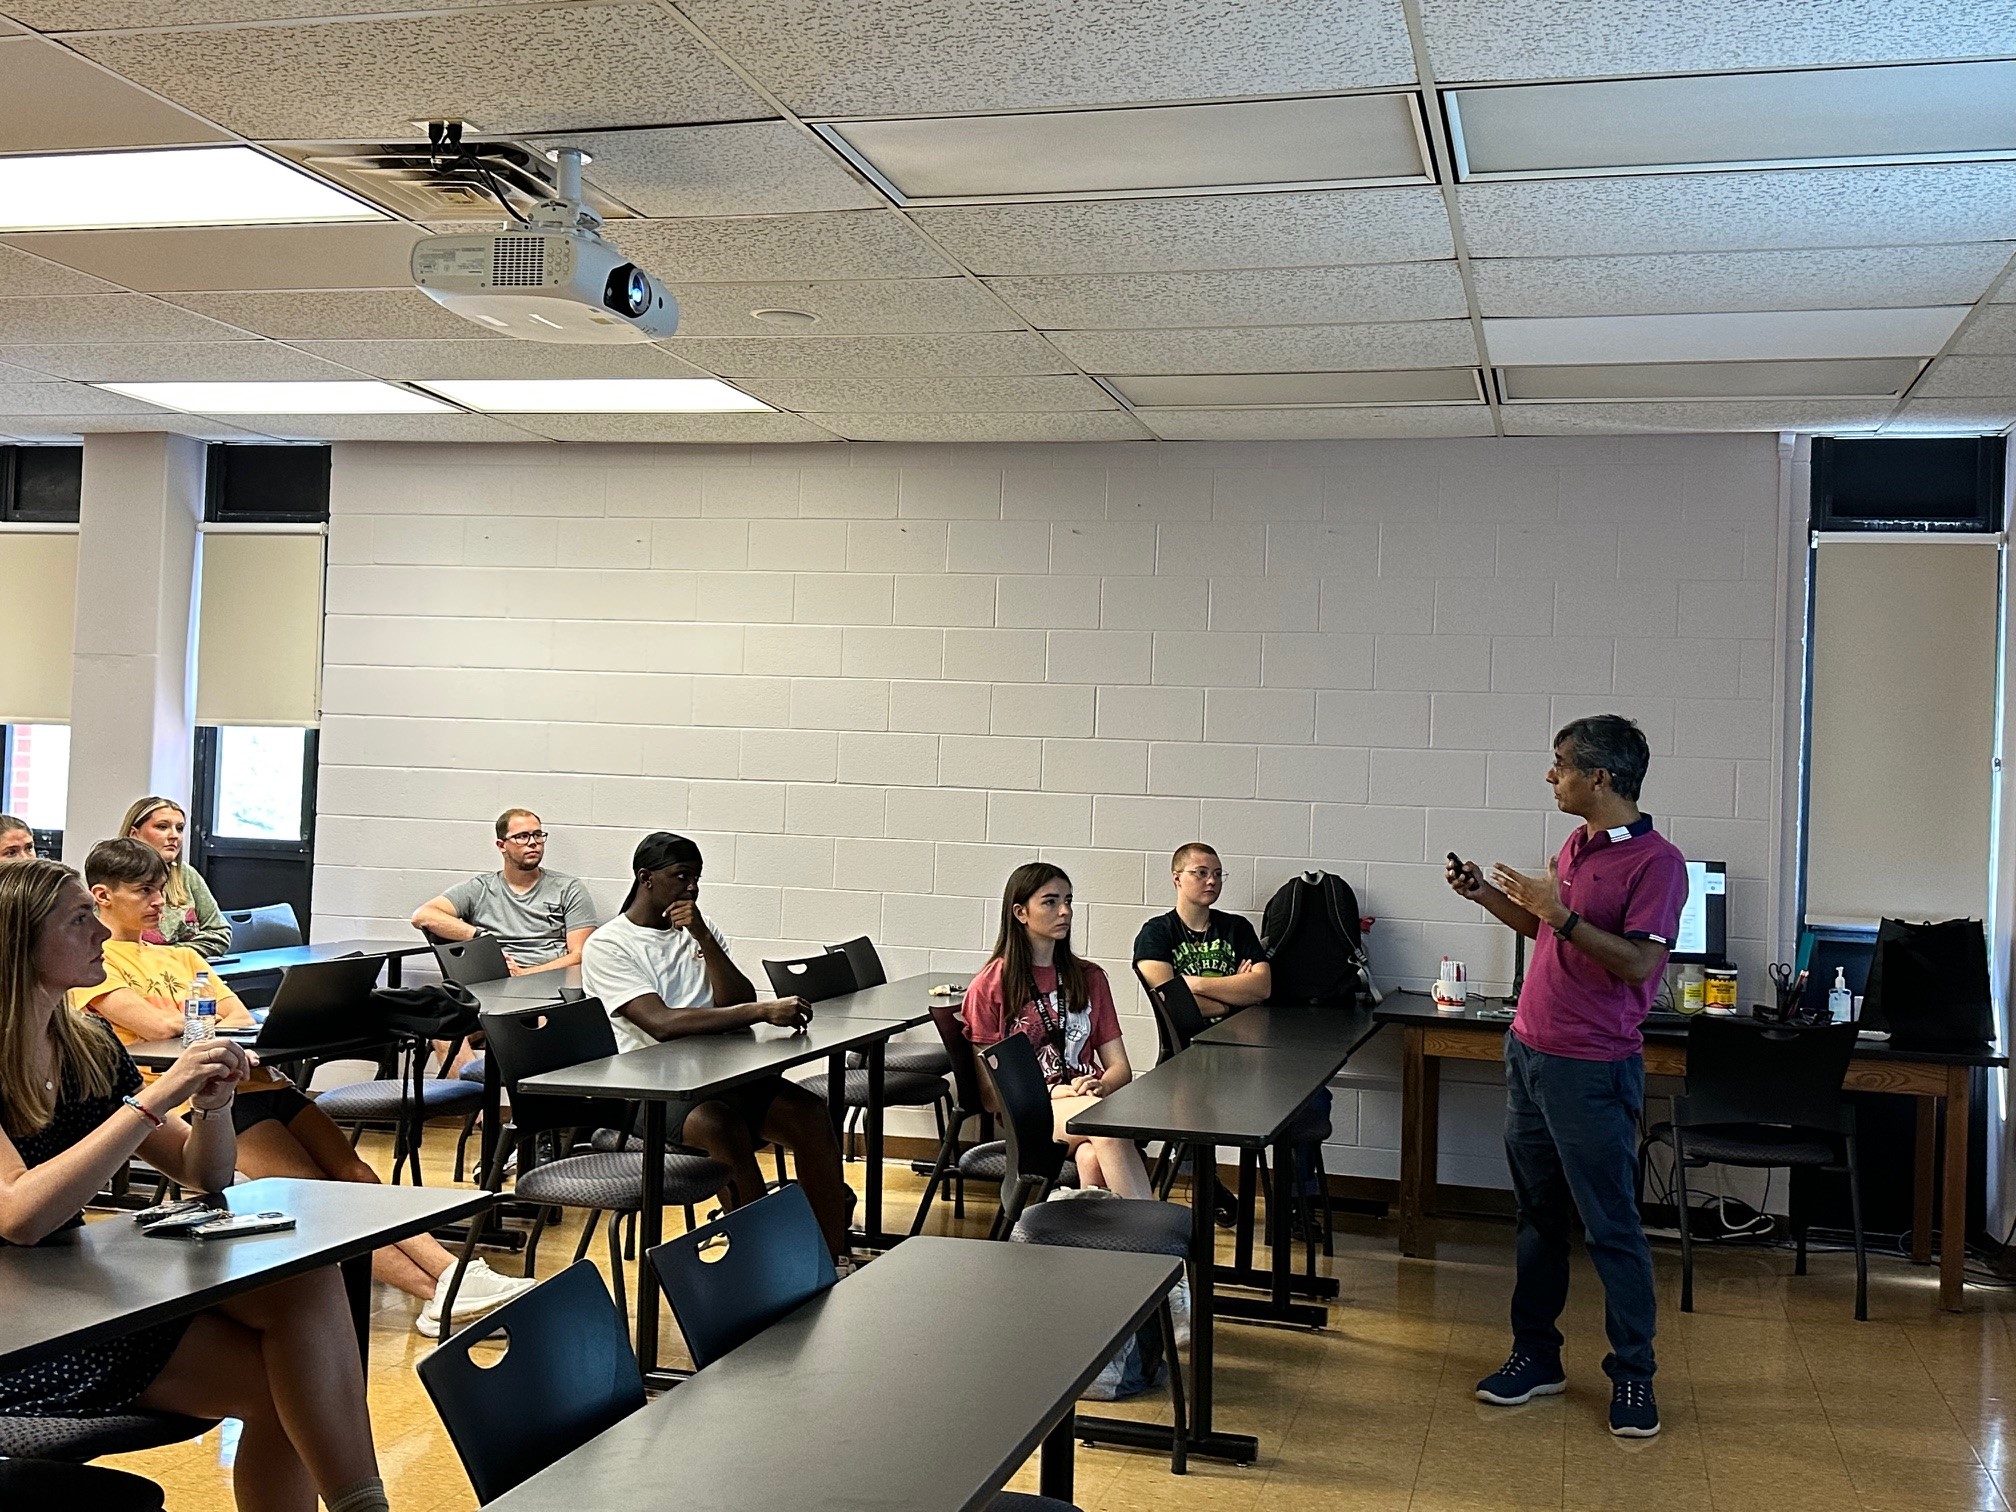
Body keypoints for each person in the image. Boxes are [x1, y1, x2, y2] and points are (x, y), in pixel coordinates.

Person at [0, 857, 396, 1512]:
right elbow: (19, 1216)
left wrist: (213, 1107)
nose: (99, 932)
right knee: (290, 1386)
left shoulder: (85, 1043)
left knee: (302, 1304)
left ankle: (364, 1508)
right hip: (23, 1329)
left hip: (73, 1291)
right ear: (21, 943)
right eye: (77, 920)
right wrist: (156, 1097)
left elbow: (202, 1173)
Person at [73, 839, 533, 1336]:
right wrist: (194, 1017)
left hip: (256, 1079)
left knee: (355, 1174)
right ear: (103, 895)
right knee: (313, 1195)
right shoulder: (97, 963)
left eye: (161, 889)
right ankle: (442, 1290)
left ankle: (454, 1278)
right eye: (144, 891)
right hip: (195, 1096)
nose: (159, 901)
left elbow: (235, 1015)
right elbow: (154, 1026)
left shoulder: (182, 957)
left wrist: (192, 1020)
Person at [1444, 714, 1687, 1439]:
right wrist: (1488, 896)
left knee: (1611, 1226)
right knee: (1538, 1218)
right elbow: (1548, 929)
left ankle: (1634, 1375)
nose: (1552, 776)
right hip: (1529, 1054)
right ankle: (1536, 1357)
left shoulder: (1658, 863)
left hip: (1592, 1068)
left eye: (1562, 764)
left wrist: (1561, 912)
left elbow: (1639, 963)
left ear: (1600, 777)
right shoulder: (1577, 844)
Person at [579, 831, 855, 1261]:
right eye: (681, 876)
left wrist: (704, 938)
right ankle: (762, 1262)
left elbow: (734, 999)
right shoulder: (609, 944)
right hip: (650, 1089)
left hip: (718, 1073)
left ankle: (828, 1258)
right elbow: (661, 1023)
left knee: (810, 1114)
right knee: (720, 1127)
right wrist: (760, 1012)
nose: (692, 887)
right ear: (646, 878)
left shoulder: (697, 931)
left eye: (697, 877)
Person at [962, 862, 1152, 1198]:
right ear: (1021, 913)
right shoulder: (989, 986)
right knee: (1103, 1125)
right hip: (1030, 1115)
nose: (1065, 911)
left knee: (1091, 1155)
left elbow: (1120, 1068)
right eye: (1050, 902)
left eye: (1068, 901)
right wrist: (1051, 1093)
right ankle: (1146, 1229)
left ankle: (1096, 1229)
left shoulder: (1089, 977)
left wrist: (1100, 1085)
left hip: (1088, 1101)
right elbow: (991, 1097)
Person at [411, 809, 595, 976]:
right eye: (522, 836)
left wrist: (524, 973)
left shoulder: (568, 888)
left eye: (538, 835)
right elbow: (423, 916)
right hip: (494, 979)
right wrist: (481, 937)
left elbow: (579, 955)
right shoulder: (480, 888)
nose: (533, 843)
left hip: (549, 979)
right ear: (501, 845)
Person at [1132, 842, 1272, 1018]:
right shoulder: (1156, 933)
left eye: (1218, 874)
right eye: (1201, 873)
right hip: (1190, 1036)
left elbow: (1262, 988)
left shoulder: (1237, 927)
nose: (1212, 881)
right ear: (1177, 878)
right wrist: (1233, 1000)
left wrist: (1194, 984)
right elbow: (1171, 1002)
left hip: (1240, 1034)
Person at [119, 797, 231, 957]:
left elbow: (219, 934)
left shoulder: (187, 875)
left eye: (179, 828)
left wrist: (167, 955)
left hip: (184, 967)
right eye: (162, 827)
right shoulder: (111, 876)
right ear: (134, 834)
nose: (174, 836)